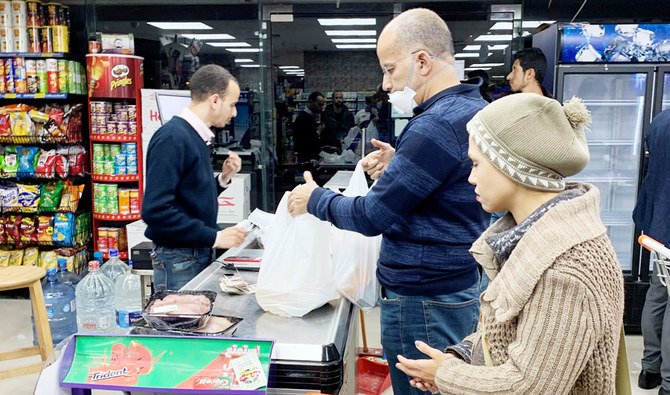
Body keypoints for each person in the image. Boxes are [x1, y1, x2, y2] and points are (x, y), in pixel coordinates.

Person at [287, 8, 489, 395]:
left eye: (390, 69)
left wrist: (316, 199)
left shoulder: (434, 125)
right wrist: (402, 166)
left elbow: (370, 215)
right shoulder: (472, 109)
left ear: (423, 61)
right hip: (453, 285)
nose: (386, 84)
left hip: (424, 299)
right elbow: (452, 185)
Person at [395, 93, 625, 394]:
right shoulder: (533, 236)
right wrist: (460, 358)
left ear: (511, 165)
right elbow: (508, 334)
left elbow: (529, 386)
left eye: (476, 164)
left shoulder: (565, 270)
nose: (471, 178)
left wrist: (447, 375)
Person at [142, 64, 247, 291]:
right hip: (178, 259)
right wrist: (215, 238)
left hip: (192, 254)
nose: (235, 112)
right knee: (180, 326)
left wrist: (223, 180)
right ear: (215, 100)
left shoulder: (194, 137)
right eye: (233, 105)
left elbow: (188, 195)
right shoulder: (173, 138)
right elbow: (155, 211)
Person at [634, 107, 670, 394]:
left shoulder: (660, 120)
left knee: (658, 292)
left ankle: (649, 369)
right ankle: (669, 383)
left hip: (658, 222)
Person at [293, 91, 326, 162]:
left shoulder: (309, 117)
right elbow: (305, 142)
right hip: (306, 159)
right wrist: (319, 132)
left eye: (322, 105)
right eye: (319, 105)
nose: (321, 108)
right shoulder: (303, 118)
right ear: (311, 102)